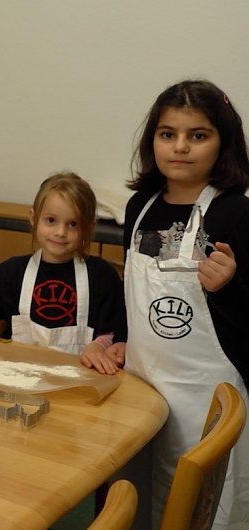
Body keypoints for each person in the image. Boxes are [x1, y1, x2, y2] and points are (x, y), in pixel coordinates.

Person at [120, 79, 249, 529]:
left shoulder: (235, 213)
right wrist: (114, 342)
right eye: (167, 134)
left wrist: (230, 287)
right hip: (140, 386)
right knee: (136, 493)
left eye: (198, 135)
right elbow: (132, 302)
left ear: (223, 142)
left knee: (198, 509)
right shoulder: (139, 207)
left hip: (205, 396)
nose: (181, 147)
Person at [0, 172, 126, 374]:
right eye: (51, 220)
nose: (60, 232)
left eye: (73, 224)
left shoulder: (102, 276)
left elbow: (112, 332)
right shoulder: (12, 272)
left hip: (79, 384)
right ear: (34, 218)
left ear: (90, 227)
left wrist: (99, 347)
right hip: (18, 381)